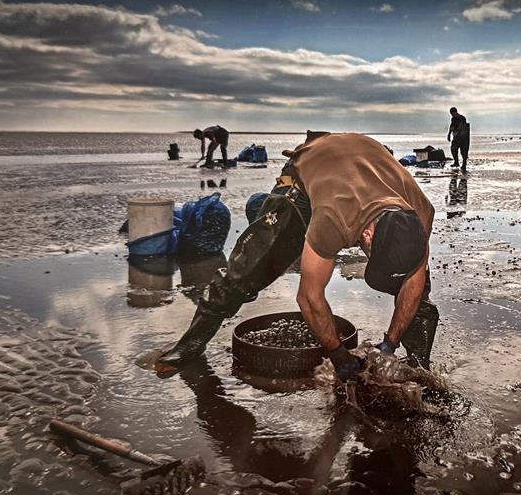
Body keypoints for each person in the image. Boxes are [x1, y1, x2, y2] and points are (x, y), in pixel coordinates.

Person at [155, 131, 439, 380]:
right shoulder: (333, 218)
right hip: (308, 175)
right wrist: (339, 355)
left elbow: (412, 283)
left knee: (418, 288)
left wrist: (390, 344)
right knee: (253, 265)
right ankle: (189, 345)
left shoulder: (421, 213)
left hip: (363, 161)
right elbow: (309, 297)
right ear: (366, 235)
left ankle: (419, 364)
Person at [447, 107, 470, 172]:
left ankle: (464, 164)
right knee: (453, 149)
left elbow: (462, 126)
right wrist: (449, 134)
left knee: (464, 151)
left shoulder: (462, 118)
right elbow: (451, 126)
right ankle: (456, 162)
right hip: (456, 136)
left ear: (454, 112)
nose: (452, 115)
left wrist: (457, 132)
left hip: (463, 137)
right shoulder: (453, 119)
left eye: (452, 113)